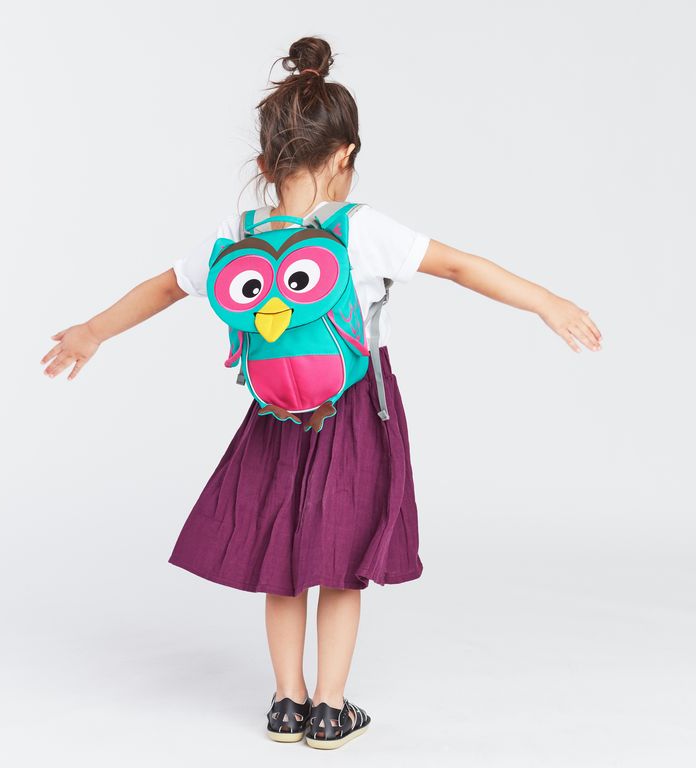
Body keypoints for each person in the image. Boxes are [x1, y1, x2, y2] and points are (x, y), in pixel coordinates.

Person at [40, 36, 602, 750]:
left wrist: (92, 331)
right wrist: (549, 302)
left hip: (273, 414)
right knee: (343, 558)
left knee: (282, 557)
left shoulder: (237, 233)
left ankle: (286, 702)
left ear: (262, 165)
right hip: (356, 409)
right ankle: (331, 709)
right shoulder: (360, 228)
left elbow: (165, 287)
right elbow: (459, 267)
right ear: (345, 155)